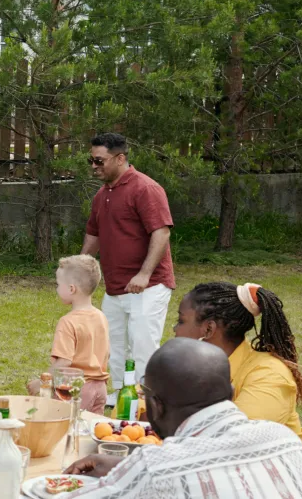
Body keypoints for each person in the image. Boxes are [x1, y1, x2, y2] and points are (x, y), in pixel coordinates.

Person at [59, 338, 302, 499]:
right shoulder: (284, 439)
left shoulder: (157, 468)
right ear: (231, 394)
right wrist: (124, 469)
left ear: (155, 406)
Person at [172, 281, 302, 495]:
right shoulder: (196, 367)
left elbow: (234, 445)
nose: (175, 330)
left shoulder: (270, 375)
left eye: (180, 321)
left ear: (208, 329)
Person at [80, 132, 176, 406]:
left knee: (143, 345)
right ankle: (121, 393)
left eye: (99, 161)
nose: (94, 166)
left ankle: (146, 401)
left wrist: (144, 274)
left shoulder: (145, 188)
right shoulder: (101, 195)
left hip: (149, 285)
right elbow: (94, 235)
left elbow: (161, 232)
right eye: (91, 160)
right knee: (114, 345)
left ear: (120, 158)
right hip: (115, 287)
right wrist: (79, 268)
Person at [27, 254, 110, 414]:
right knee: (90, 432)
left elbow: (63, 362)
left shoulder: (67, 322)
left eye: (58, 284)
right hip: (100, 388)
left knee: (64, 430)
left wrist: (41, 382)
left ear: (72, 289)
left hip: (75, 389)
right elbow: (108, 353)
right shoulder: (101, 317)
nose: (57, 288)